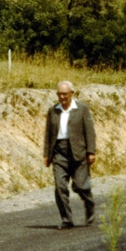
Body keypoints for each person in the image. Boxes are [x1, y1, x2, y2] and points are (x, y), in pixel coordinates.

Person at [42, 79, 96, 229]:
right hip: (59, 152)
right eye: (59, 94)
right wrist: (47, 154)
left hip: (78, 152)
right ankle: (66, 219)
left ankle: (89, 205)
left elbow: (89, 131)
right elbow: (48, 133)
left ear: (72, 93)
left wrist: (91, 151)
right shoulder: (53, 110)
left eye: (65, 94)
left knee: (80, 186)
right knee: (60, 187)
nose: (62, 97)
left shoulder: (82, 109)